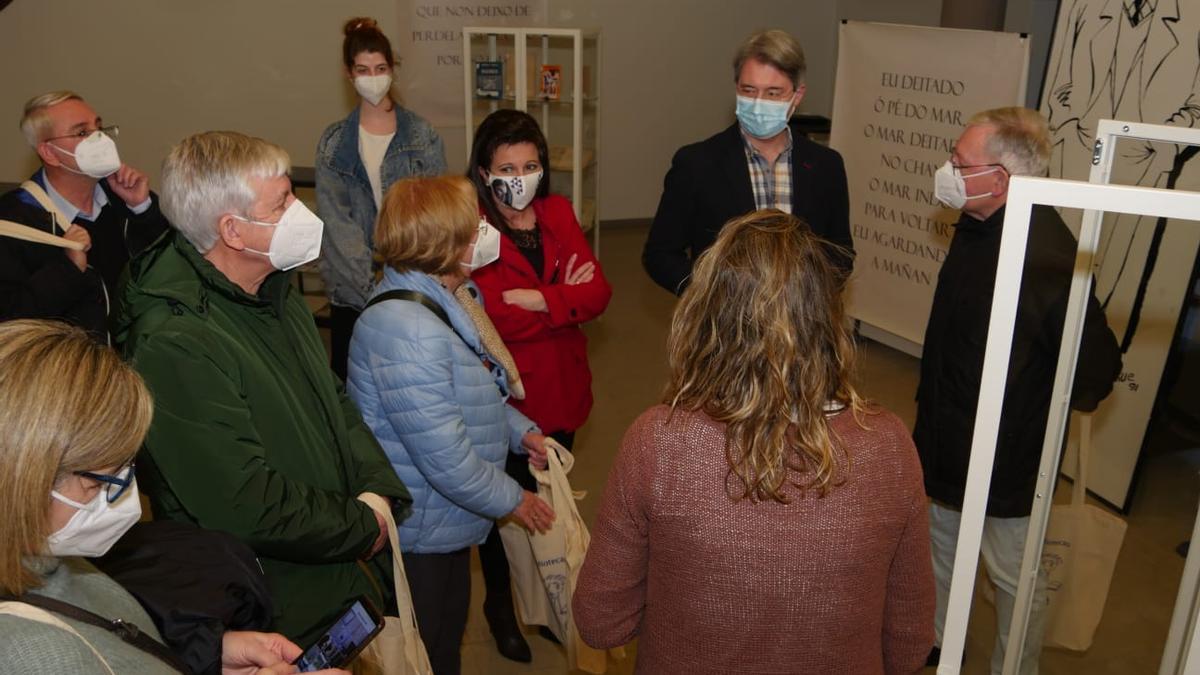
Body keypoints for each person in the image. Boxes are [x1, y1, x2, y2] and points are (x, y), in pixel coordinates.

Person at [574, 210, 934, 673]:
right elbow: (909, 644)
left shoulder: (659, 444)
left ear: (706, 319)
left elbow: (602, 623)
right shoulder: (888, 445)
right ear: (827, 316)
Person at [114, 131, 412, 646]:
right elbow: (244, 501)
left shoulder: (270, 285)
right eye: (283, 202)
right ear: (233, 230)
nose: (302, 212)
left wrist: (378, 490)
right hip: (278, 603)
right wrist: (362, 526)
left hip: (338, 561)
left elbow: (332, 400)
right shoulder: (174, 341)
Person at [0, 319, 347, 675]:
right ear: (24, 483)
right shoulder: (28, 656)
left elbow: (112, 641)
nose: (124, 500)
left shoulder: (44, 553)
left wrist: (206, 655)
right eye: (99, 484)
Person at [914, 107, 1122, 674]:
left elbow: (1095, 372)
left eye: (961, 162)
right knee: (943, 549)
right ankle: (938, 639)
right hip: (950, 439)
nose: (949, 170)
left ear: (1001, 179)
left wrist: (1026, 418)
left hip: (1009, 462)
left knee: (1014, 579)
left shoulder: (1049, 260)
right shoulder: (977, 227)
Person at [347, 175, 555, 675]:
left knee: (444, 640)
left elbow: (473, 388)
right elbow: (445, 457)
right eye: (473, 225)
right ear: (444, 245)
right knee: (427, 647)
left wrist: (518, 430)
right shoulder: (407, 331)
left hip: (446, 520)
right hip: (420, 527)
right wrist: (516, 500)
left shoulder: (453, 298)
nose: (484, 230)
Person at [465, 109, 612, 661]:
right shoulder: (472, 230)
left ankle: (547, 604)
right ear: (483, 172)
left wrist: (540, 301)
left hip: (564, 393)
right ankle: (500, 606)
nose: (520, 176)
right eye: (506, 166)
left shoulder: (558, 212)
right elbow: (489, 318)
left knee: (550, 508)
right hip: (507, 401)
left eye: (530, 164)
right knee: (506, 513)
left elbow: (599, 293)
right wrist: (562, 302)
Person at [642, 30, 853, 295]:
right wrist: (712, 297)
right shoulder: (697, 164)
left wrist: (807, 296)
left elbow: (841, 252)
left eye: (773, 93)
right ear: (737, 89)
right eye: (749, 90)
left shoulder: (826, 166)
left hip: (803, 325)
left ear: (797, 96)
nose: (758, 103)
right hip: (723, 327)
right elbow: (660, 255)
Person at [317, 16, 448, 380]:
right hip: (352, 290)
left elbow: (435, 216)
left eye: (380, 68)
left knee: (412, 381)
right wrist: (369, 290)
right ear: (348, 73)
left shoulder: (422, 136)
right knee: (353, 384)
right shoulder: (333, 143)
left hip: (412, 281)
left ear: (392, 69)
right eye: (363, 69)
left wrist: (401, 286)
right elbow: (336, 222)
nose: (372, 78)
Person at [0, 91, 168, 341]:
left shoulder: (125, 199)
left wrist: (143, 210)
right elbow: (10, 322)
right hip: (67, 374)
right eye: (82, 133)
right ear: (50, 153)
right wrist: (67, 270)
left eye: (99, 128)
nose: (99, 139)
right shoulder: (12, 223)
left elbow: (170, 271)